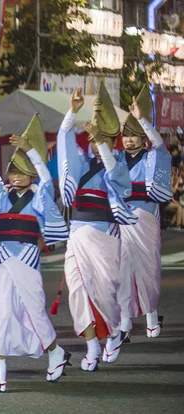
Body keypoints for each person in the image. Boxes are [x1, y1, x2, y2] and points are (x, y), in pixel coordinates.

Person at [0, 114, 71, 392]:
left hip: (26, 259)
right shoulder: (1, 195)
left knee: (34, 312)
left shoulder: (39, 194)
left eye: (21, 172)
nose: (14, 176)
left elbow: (48, 178)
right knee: (3, 314)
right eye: (12, 170)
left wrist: (30, 150)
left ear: (32, 175)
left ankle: (55, 352)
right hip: (4, 260)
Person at [57, 84, 137, 372]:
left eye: (101, 139)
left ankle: (113, 333)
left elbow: (121, 184)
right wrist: (73, 111)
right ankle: (91, 345)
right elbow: (65, 141)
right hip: (77, 233)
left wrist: (103, 144)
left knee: (104, 293)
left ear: (111, 140)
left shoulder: (118, 165)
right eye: (92, 139)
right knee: (77, 292)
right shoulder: (82, 162)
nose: (94, 143)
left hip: (104, 234)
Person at [116, 86, 172, 339]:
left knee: (148, 270)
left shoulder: (153, 156)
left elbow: (160, 144)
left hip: (146, 220)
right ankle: (125, 321)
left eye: (134, 135)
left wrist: (141, 119)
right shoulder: (116, 159)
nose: (128, 140)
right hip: (122, 222)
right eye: (125, 135)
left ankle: (151, 315)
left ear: (143, 138)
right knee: (123, 271)